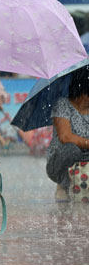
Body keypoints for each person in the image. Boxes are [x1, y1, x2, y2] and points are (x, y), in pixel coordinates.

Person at [46, 65, 89, 202]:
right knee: (71, 149)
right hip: (62, 160)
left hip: (86, 159)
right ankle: (63, 186)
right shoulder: (62, 105)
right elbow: (65, 137)